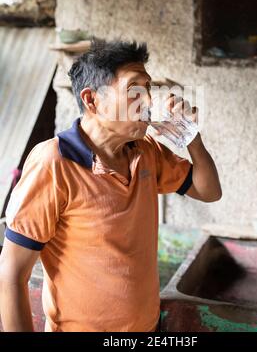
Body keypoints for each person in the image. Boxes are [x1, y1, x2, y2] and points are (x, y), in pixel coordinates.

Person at [0, 38, 222, 332]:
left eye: (148, 89)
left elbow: (209, 191)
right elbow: (12, 274)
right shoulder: (53, 164)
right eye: (134, 91)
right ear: (92, 100)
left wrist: (189, 136)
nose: (148, 102)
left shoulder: (145, 151)